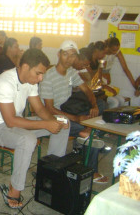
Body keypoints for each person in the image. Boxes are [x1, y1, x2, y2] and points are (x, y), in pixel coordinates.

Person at [0, 48, 69, 208]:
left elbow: (39, 109)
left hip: (17, 123)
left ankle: (51, 173)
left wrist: (54, 122)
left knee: (63, 123)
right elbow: (10, 121)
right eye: (38, 73)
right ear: (25, 67)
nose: (41, 78)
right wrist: (46, 124)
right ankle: (14, 190)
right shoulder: (5, 82)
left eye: (42, 74)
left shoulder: (30, 82)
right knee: (28, 139)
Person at [40, 40, 108, 183]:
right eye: (65, 54)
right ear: (59, 54)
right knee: (90, 132)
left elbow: (87, 90)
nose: (69, 59)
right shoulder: (48, 77)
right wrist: (77, 119)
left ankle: (86, 132)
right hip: (53, 115)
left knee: (101, 104)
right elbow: (49, 109)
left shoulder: (71, 72)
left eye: (72, 55)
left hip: (68, 109)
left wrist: (94, 105)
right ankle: (91, 170)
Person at [103, 37, 136, 107]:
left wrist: (135, 86)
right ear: (107, 47)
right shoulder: (102, 53)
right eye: (113, 50)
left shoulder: (117, 52)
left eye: (117, 50)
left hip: (106, 80)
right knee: (114, 102)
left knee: (121, 100)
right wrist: (105, 86)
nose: (115, 52)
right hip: (100, 82)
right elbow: (97, 74)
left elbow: (126, 69)